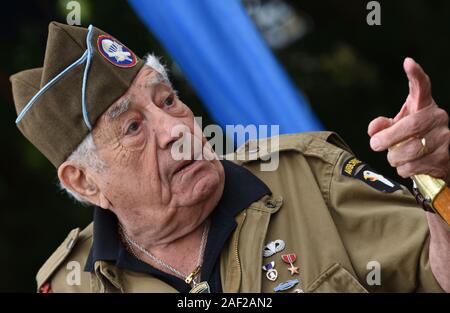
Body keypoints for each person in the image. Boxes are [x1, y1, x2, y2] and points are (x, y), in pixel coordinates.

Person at [10, 22, 450, 293]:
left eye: (167, 101)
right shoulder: (70, 283)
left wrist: (437, 178)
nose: (176, 129)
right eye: (133, 128)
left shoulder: (309, 177)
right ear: (84, 182)